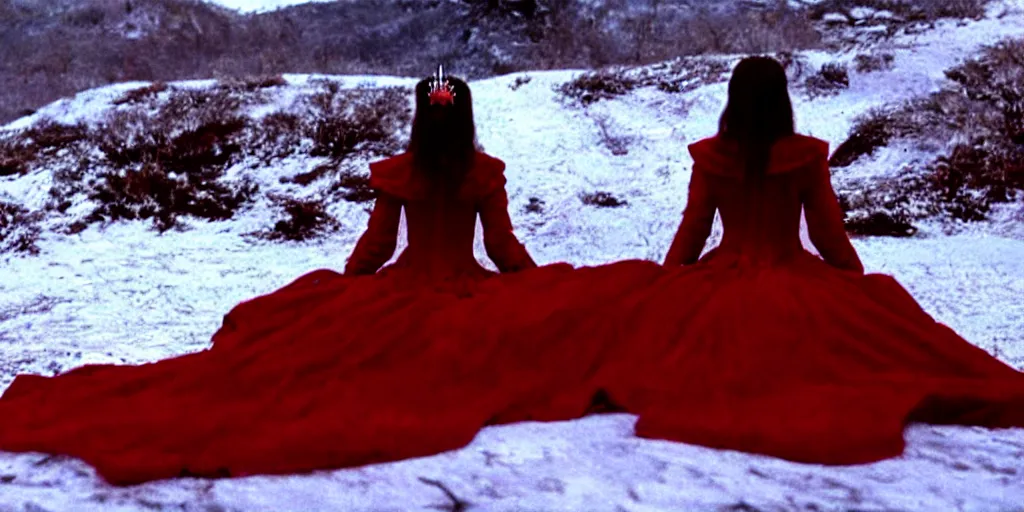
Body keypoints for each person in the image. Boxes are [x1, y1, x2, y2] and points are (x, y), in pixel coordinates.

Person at [0, 70, 662, 485]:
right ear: (464, 116)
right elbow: (502, 247)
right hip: (462, 288)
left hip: (404, 290)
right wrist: (537, 286)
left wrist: (350, 290)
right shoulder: (483, 172)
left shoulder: (400, 170)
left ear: (418, 114)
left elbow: (376, 245)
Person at [580, 56, 1024, 465]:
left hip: (721, 280)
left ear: (733, 99)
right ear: (781, 101)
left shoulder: (713, 157)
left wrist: (666, 280)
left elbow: (694, 227)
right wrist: (853, 284)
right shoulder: (804, 156)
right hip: (792, 276)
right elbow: (826, 232)